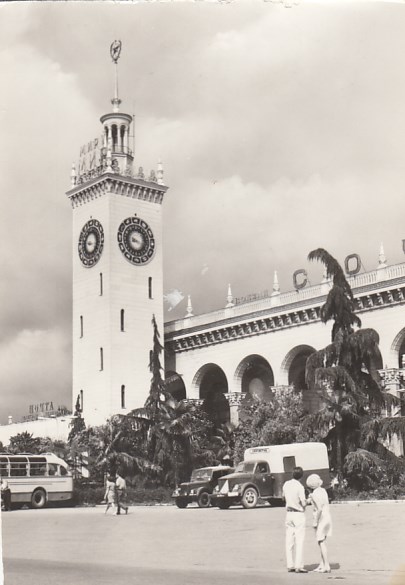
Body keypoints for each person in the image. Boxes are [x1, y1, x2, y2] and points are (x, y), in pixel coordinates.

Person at [282, 466, 308, 573]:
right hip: (298, 514)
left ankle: (290, 564)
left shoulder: (286, 484)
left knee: (289, 541)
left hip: (289, 513)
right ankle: (299, 565)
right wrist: (307, 501)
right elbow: (303, 503)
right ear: (301, 476)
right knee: (299, 540)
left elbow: (283, 497)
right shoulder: (300, 487)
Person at [306, 474, 332, 573]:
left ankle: (326, 565)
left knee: (321, 542)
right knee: (322, 541)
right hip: (327, 517)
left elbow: (319, 509)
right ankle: (322, 564)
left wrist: (315, 521)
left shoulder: (315, 494)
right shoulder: (323, 490)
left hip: (321, 518)